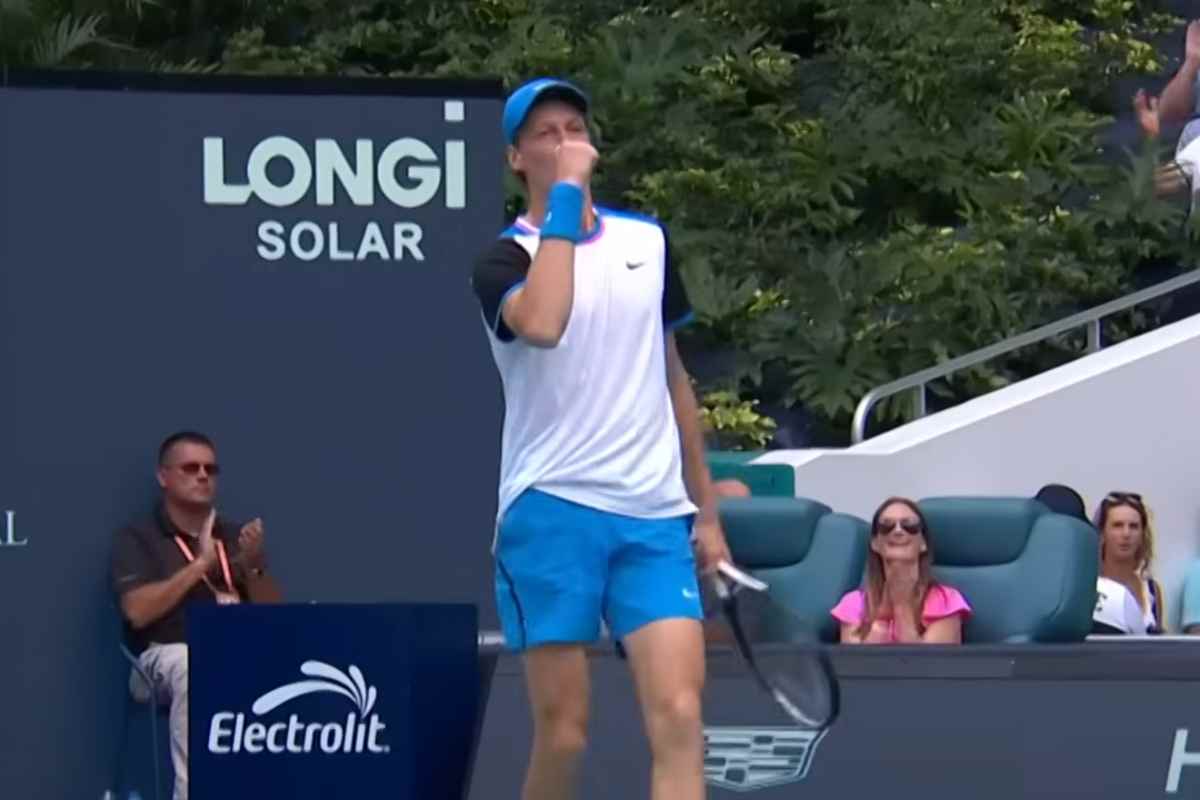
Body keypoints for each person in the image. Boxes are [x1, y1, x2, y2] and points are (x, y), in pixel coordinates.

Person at [470, 77, 731, 800]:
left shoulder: (647, 241)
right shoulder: (502, 260)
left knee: (681, 717)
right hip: (550, 511)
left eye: (575, 128)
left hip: (653, 515)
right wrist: (564, 199)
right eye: (546, 133)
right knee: (565, 732)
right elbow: (544, 323)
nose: (565, 142)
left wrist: (706, 513)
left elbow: (672, 377)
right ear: (516, 158)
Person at [110, 432, 283, 800]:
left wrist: (254, 567)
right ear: (163, 476)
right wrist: (200, 565)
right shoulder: (139, 537)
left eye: (210, 469)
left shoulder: (234, 536)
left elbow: (275, 620)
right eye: (191, 468)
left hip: (237, 652)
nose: (203, 475)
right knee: (193, 665)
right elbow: (137, 613)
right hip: (161, 657)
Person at [831, 497, 971, 644]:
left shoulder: (946, 600)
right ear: (875, 543)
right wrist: (882, 619)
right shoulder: (853, 603)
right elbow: (856, 658)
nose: (898, 531)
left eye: (909, 525)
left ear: (923, 543)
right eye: (886, 526)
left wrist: (901, 607)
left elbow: (928, 657)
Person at [1094, 491, 1164, 635]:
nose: (1126, 534)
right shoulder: (1088, 586)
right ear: (1102, 533)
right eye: (1117, 525)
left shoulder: (1151, 590)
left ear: (1142, 534)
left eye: (1133, 526)